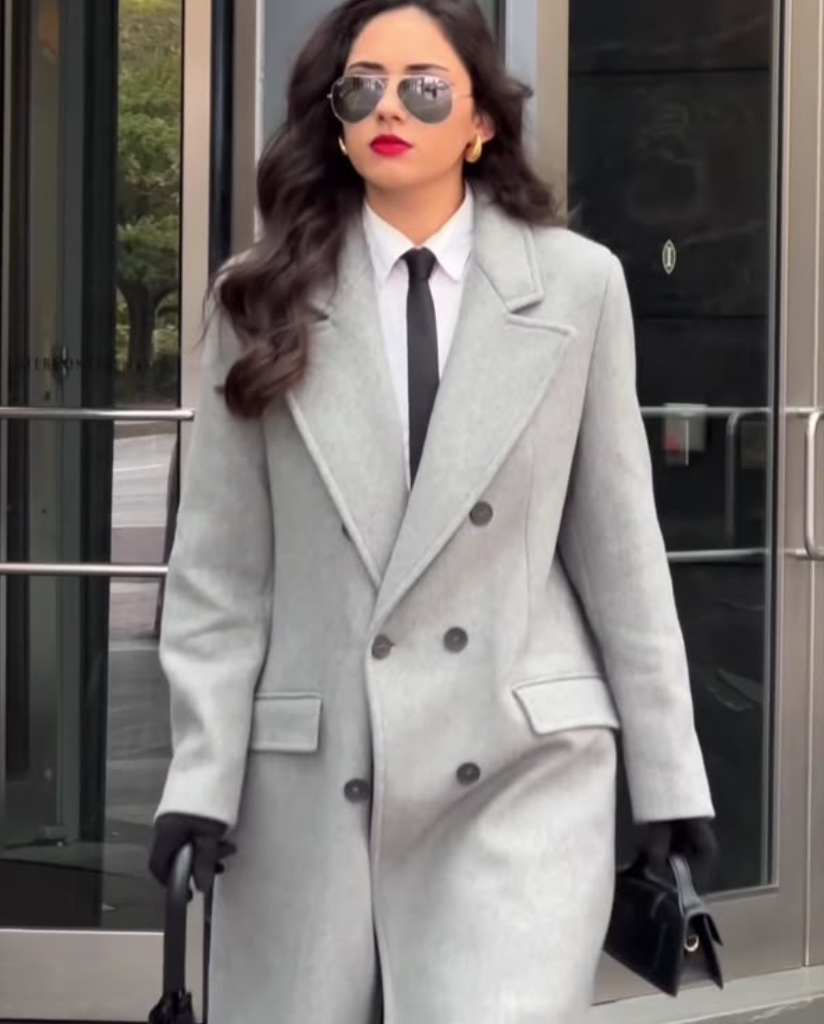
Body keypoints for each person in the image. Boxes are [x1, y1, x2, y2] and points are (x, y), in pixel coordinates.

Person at [148, 1, 717, 1020]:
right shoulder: (258, 297)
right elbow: (219, 572)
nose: (388, 109)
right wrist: (200, 775)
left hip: (520, 769)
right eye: (360, 89)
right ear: (332, 121)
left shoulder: (578, 287)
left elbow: (621, 550)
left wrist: (669, 777)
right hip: (315, 777)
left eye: (422, 88)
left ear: (480, 121)